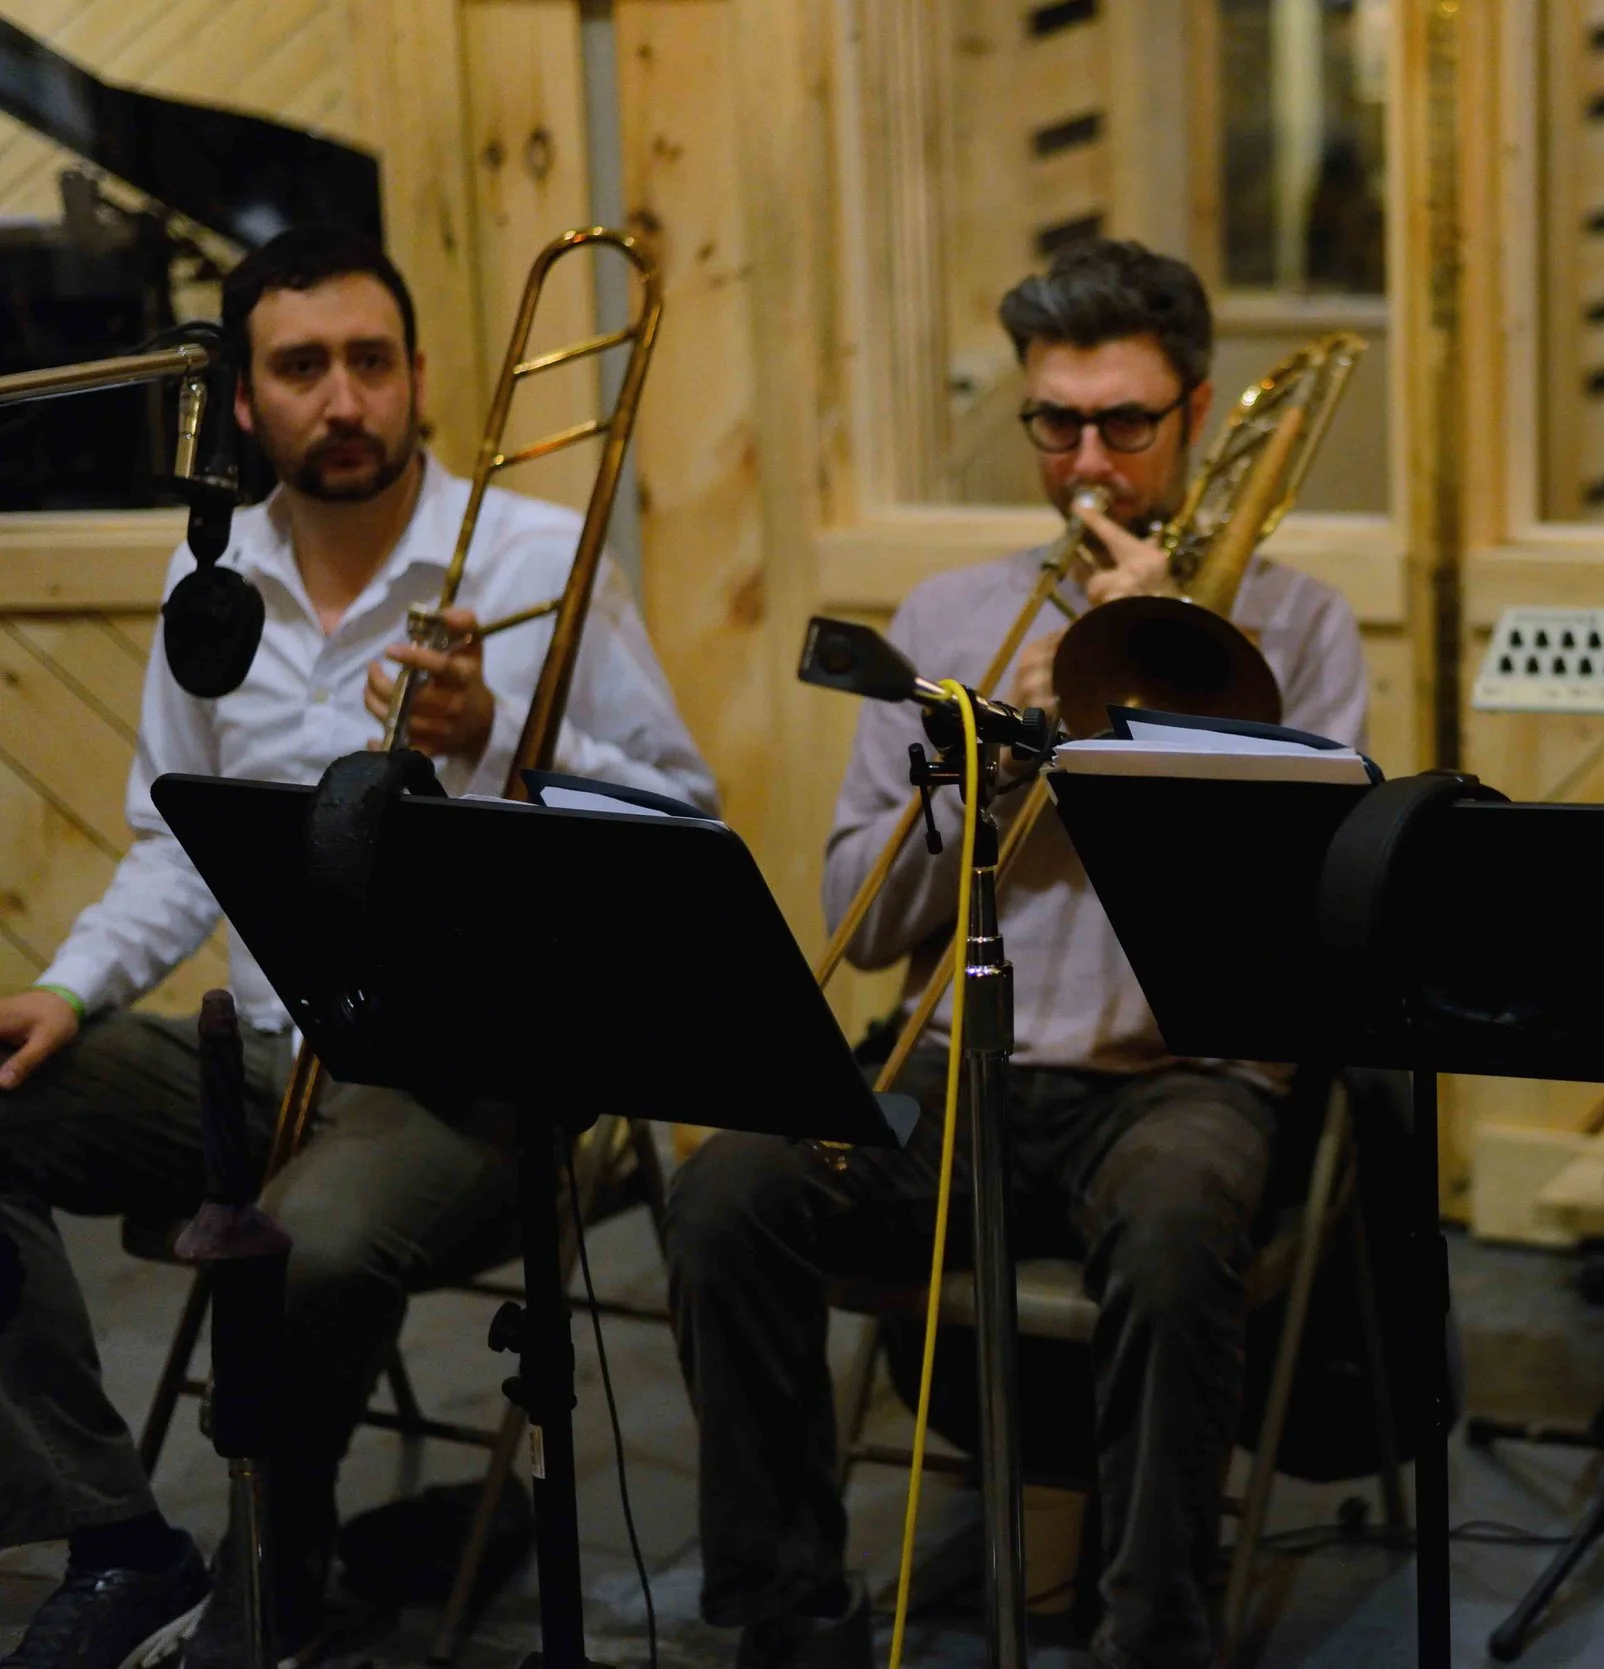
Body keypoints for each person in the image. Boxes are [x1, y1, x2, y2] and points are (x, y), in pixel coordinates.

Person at [0, 226, 716, 1669]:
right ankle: (118, 1538)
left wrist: (497, 739)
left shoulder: (533, 555)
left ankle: (275, 1580)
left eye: (372, 363)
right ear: (246, 400)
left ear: (421, 379)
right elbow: (171, 844)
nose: (345, 399)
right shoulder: (218, 577)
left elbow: (678, 822)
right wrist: (67, 991)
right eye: (303, 367)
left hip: (464, 1075)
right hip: (267, 1051)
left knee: (304, 1249)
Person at [665, 237, 1367, 1669]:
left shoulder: (1297, 622)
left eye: (1125, 424)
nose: (1089, 463)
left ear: (1198, 413)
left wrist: (1166, 680)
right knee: (728, 1190)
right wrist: (984, 756)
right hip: (957, 1061)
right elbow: (864, 912)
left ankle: (1148, 1638)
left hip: (1181, 1075)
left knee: (1178, 1234)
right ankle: (788, 1613)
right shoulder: (947, 620)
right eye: (1057, 424)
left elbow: (1308, 920)